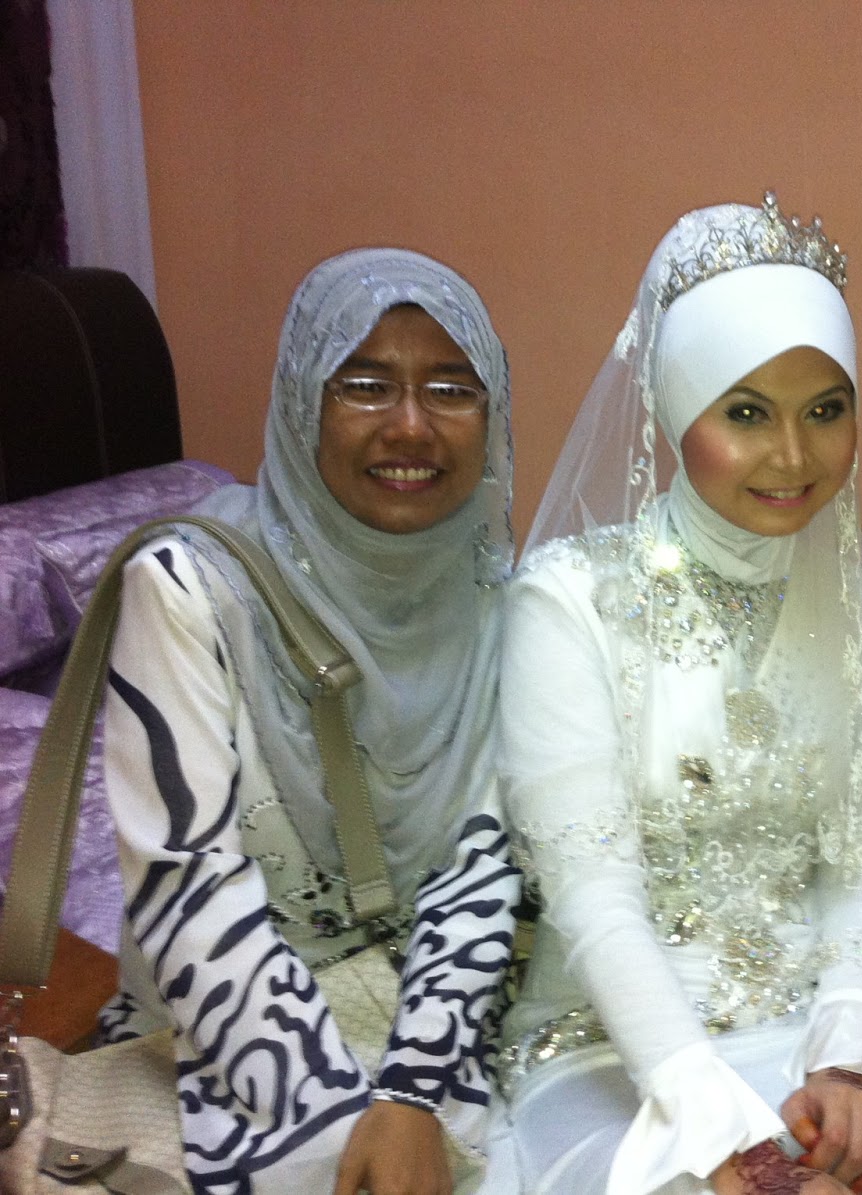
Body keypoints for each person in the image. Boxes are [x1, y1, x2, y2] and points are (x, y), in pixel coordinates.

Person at [494, 195, 862, 1195]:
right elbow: (592, 895)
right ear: (674, 410)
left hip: (810, 1040)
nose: (793, 454)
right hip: (612, 1052)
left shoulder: (861, 607)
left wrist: (846, 1052)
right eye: (745, 412)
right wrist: (712, 1120)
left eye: (825, 409)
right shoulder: (570, 602)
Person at [96, 249, 522, 1194]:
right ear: (301, 402)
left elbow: (482, 857)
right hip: (225, 1025)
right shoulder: (187, 587)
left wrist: (410, 1092)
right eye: (363, 384)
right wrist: (343, 1129)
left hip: (435, 1013)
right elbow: (188, 889)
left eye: (451, 388)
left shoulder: (495, 590)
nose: (410, 425)